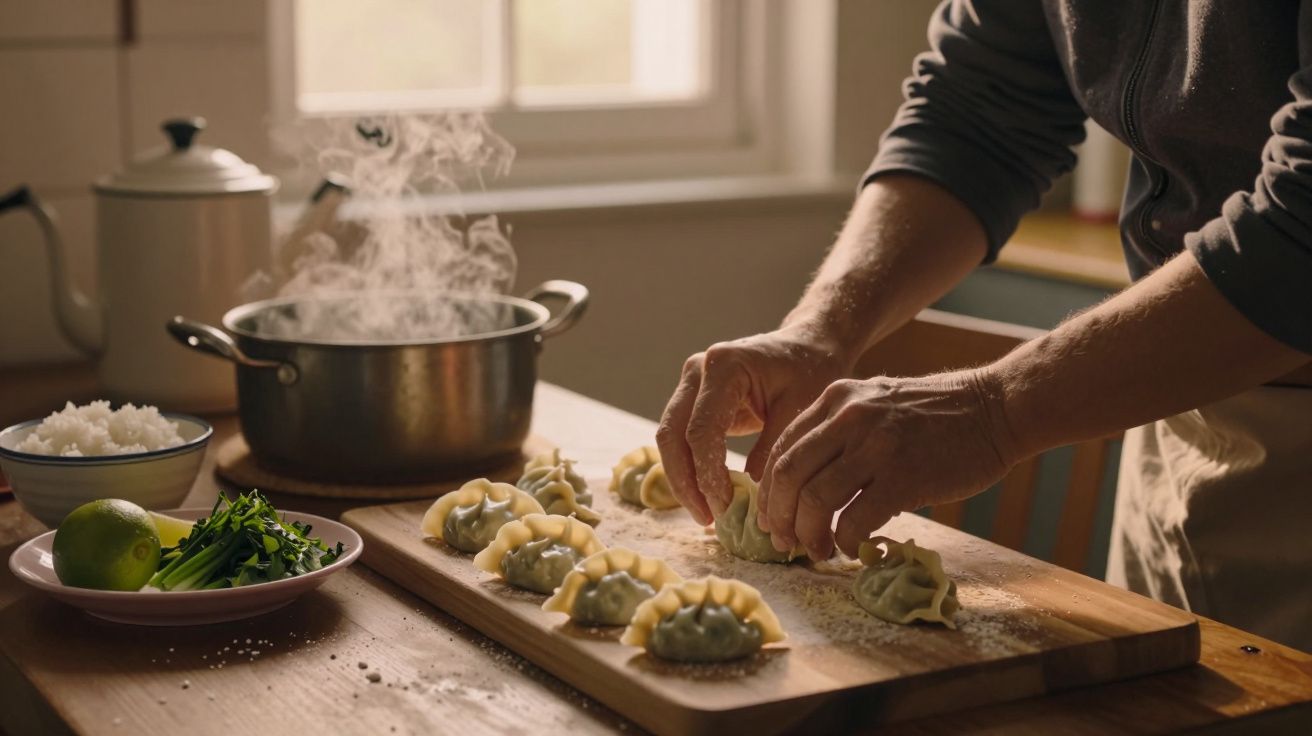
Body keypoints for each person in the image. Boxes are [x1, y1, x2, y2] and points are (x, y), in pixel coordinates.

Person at [656, 1, 1312, 653]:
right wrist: (818, 334)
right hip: (1174, 400)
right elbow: (976, 116)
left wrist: (992, 412)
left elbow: (1303, 229)